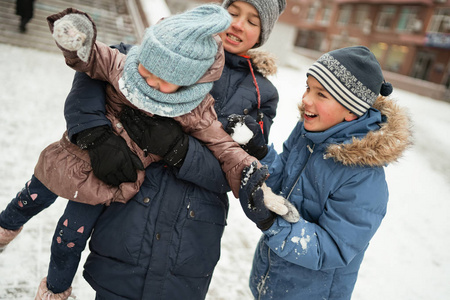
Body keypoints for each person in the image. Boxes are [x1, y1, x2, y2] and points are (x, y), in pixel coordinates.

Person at [0, 1, 287, 299]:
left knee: (68, 235)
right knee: (41, 200)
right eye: (234, 11)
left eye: (252, 21)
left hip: (186, 233)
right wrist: (94, 133)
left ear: (263, 33)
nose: (239, 24)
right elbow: (96, 66)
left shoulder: (256, 94)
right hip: (125, 214)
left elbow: (225, 152)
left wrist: (179, 148)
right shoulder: (159, 46)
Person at [235, 46, 412, 299]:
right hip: (272, 280)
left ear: (351, 110)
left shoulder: (362, 177)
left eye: (322, 94)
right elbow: (281, 181)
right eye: (308, 87)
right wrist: (260, 151)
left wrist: (271, 223)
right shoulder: (307, 135)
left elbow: (332, 248)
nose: (306, 99)